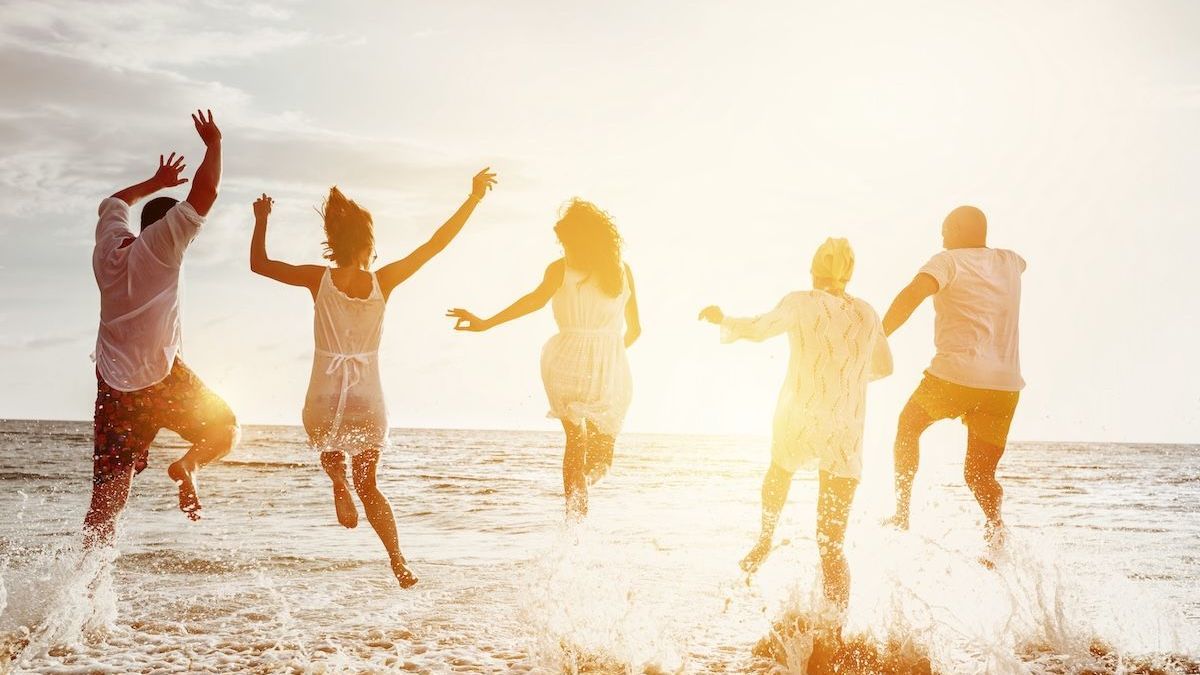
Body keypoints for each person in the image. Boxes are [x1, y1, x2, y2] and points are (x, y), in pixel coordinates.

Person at [249, 168, 497, 588]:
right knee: (371, 484)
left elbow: (260, 265)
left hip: (325, 388)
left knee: (327, 438)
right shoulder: (384, 280)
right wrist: (472, 199)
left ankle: (335, 480)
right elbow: (435, 245)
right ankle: (398, 560)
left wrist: (261, 219)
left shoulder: (318, 278)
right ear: (368, 243)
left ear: (336, 241)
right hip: (366, 391)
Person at [699, 238, 892, 609]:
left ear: (813, 269)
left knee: (780, 470)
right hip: (845, 428)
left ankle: (765, 538)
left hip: (800, 415)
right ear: (849, 274)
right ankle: (834, 631)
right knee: (831, 544)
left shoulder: (801, 301)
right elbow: (884, 367)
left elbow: (758, 329)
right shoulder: (868, 312)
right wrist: (845, 375)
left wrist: (723, 319)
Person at [87, 110, 237, 547]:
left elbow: (114, 201)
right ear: (172, 227)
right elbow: (205, 192)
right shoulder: (164, 244)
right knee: (224, 429)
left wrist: (155, 182)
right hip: (159, 377)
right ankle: (187, 466)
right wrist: (214, 143)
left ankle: (81, 592)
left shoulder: (108, 248)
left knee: (107, 503)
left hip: (113, 386)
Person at [447, 199, 641, 519]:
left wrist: (485, 322)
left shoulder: (559, 269)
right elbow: (635, 330)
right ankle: (588, 484)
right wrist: (609, 361)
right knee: (601, 453)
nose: (564, 248)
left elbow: (531, 302)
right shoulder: (622, 272)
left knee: (574, 445)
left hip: (565, 362)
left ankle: (573, 523)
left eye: (567, 242)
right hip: (608, 366)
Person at [882, 205, 1025, 553]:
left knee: (908, 426)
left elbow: (910, 297)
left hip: (954, 380)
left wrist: (878, 336)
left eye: (946, 230)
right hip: (1003, 389)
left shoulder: (946, 262)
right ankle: (996, 530)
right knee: (979, 475)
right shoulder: (1010, 261)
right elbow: (1022, 263)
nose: (942, 237)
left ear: (959, 229)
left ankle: (901, 513)